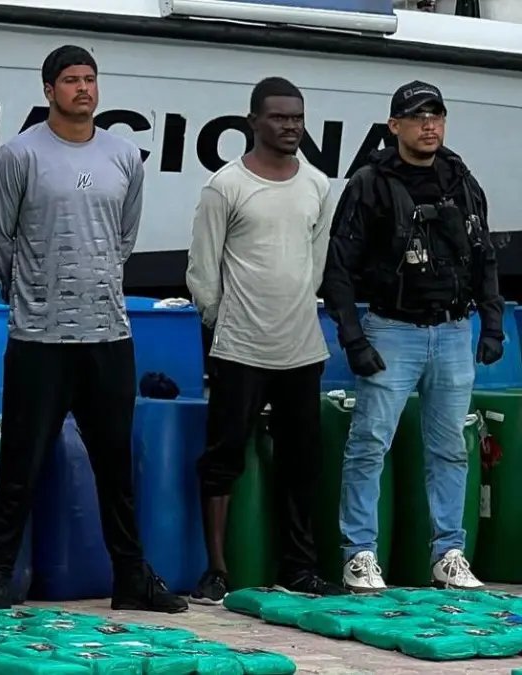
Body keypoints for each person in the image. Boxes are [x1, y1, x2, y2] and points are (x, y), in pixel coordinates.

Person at [0, 44, 187, 614]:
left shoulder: (124, 155)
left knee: (115, 464)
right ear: (49, 90)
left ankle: (132, 579)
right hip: (40, 338)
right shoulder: (19, 154)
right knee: (20, 463)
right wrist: (38, 290)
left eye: (90, 79)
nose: (83, 89)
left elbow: (123, 238)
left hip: (109, 337)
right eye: (70, 80)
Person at [322, 80, 503, 592]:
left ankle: (449, 553)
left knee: (451, 447)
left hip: (452, 330)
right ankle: (358, 553)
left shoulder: (462, 180)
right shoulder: (370, 182)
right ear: (394, 125)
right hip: (391, 330)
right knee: (368, 444)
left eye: (437, 115)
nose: (429, 125)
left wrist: (491, 324)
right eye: (418, 116)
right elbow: (337, 267)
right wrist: (354, 339)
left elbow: (484, 255)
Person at [185, 77, 350, 605]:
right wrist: (220, 318)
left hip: (302, 347)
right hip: (239, 346)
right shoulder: (225, 185)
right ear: (253, 120)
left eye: (298, 117)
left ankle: (299, 569)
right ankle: (217, 569)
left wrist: (299, 304)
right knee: (224, 455)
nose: (291, 126)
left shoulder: (318, 185)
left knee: (302, 460)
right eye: (279, 117)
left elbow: (317, 260)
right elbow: (202, 269)